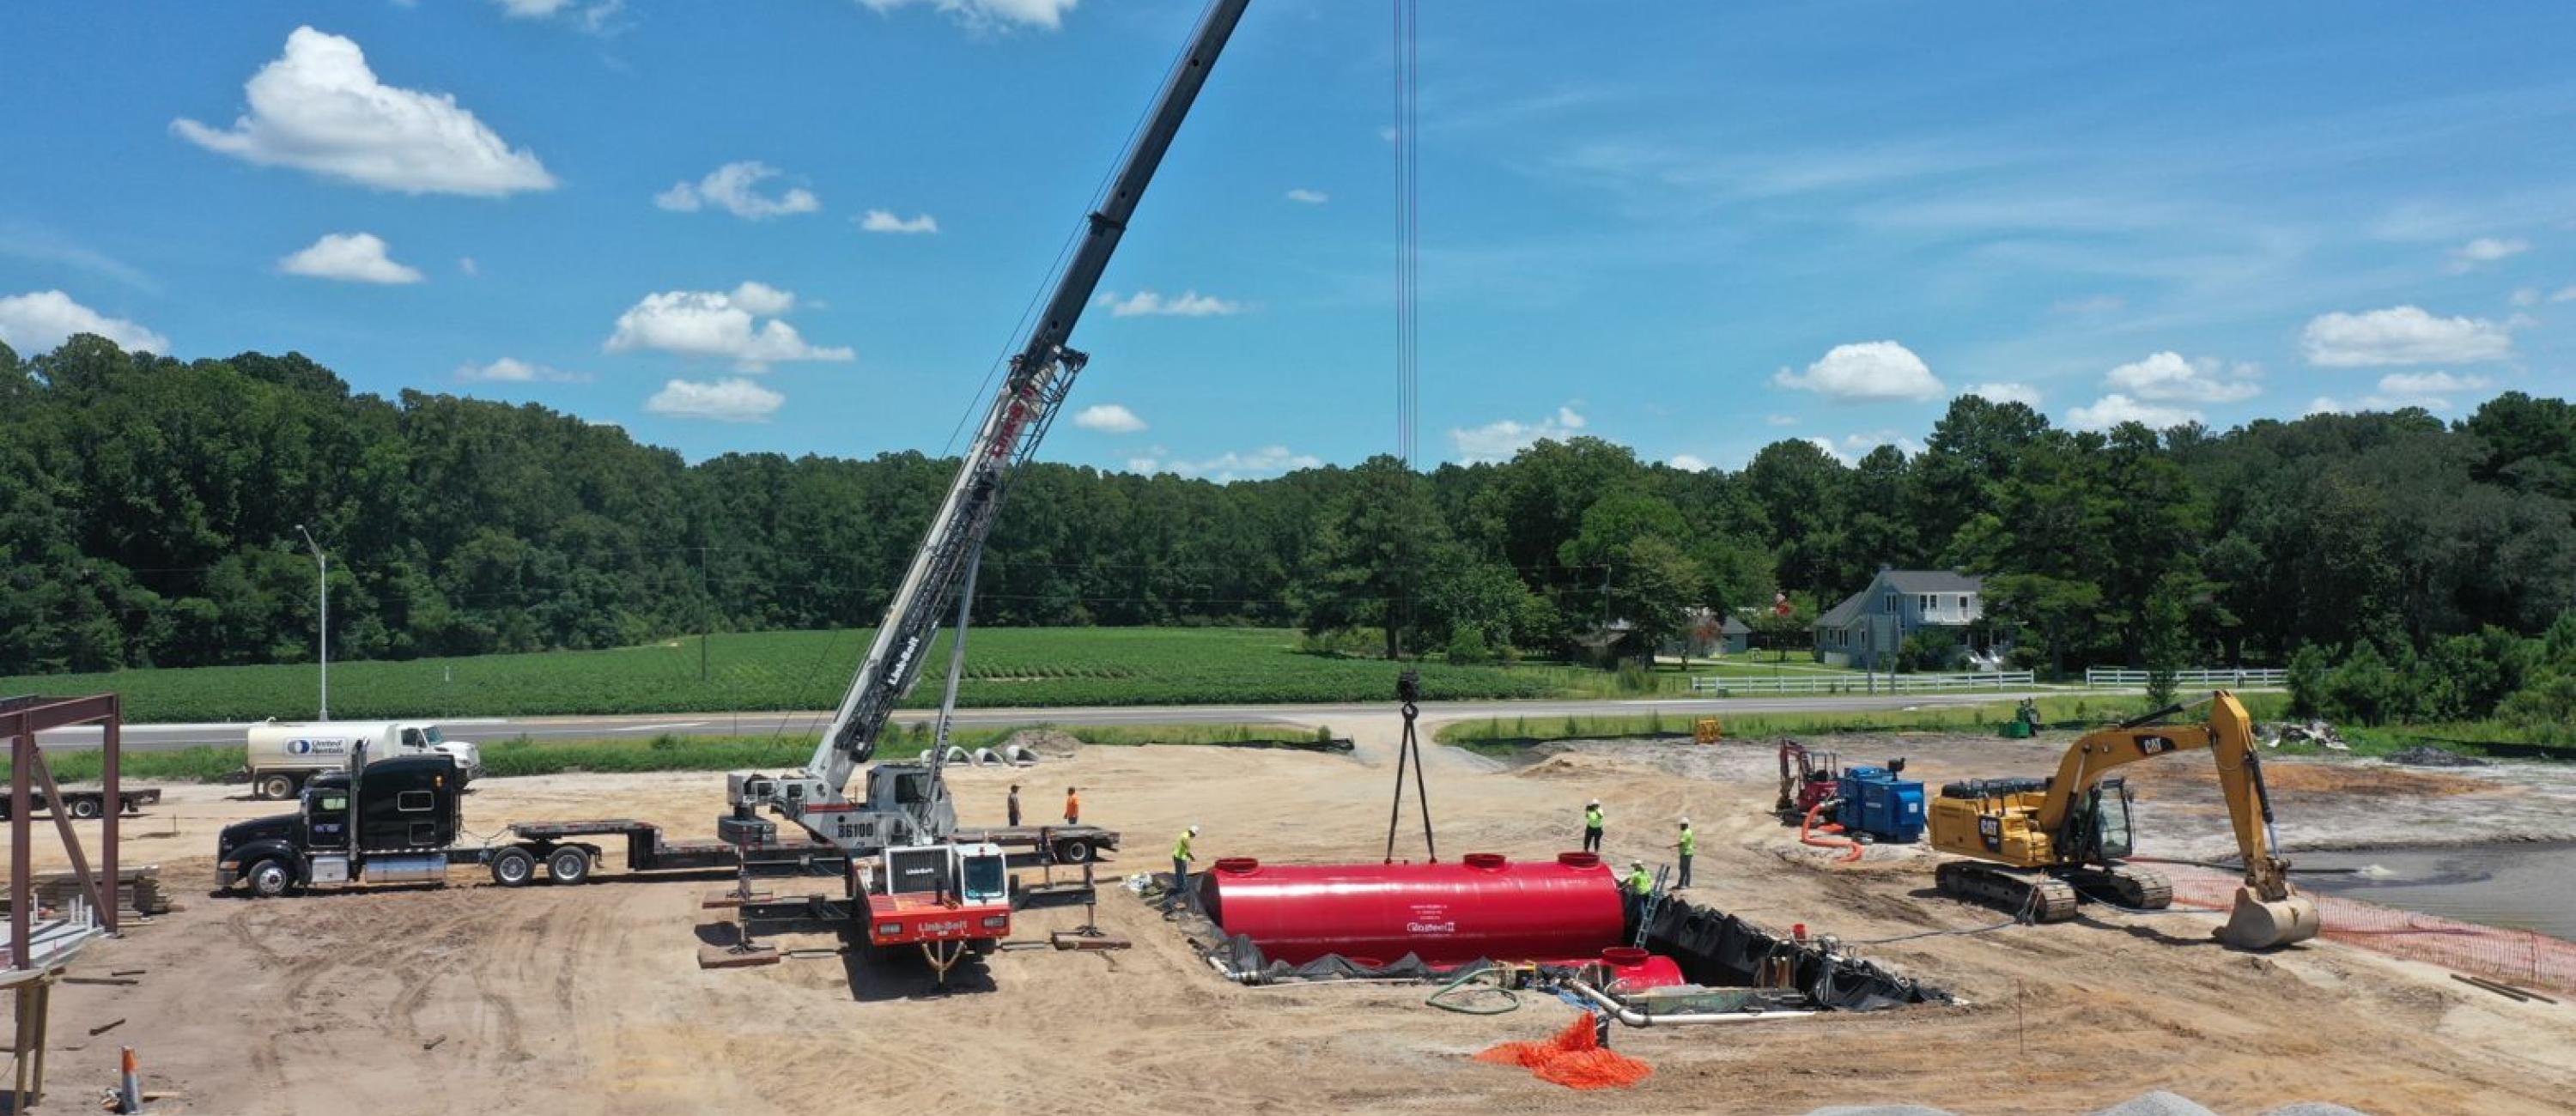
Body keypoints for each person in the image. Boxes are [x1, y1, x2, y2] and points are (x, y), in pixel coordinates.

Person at [1169, 824, 1200, 912]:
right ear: (1193, 833)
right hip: (1180, 858)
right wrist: (1191, 857)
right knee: (1182, 874)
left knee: (1180, 874)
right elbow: (1186, 850)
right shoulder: (1186, 838)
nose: (1194, 836)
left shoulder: (1184, 834)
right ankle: (1182, 891)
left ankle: (1181, 888)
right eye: (1194, 834)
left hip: (1177, 856)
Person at [1672, 818, 1696, 889]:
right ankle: (1686, 883)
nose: (1680, 827)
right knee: (1686, 869)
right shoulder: (1688, 831)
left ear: (1684, 825)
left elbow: (1682, 843)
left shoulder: (1686, 833)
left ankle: (1682, 884)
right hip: (1687, 852)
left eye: (1681, 825)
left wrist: (1672, 846)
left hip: (1686, 853)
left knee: (1683, 869)